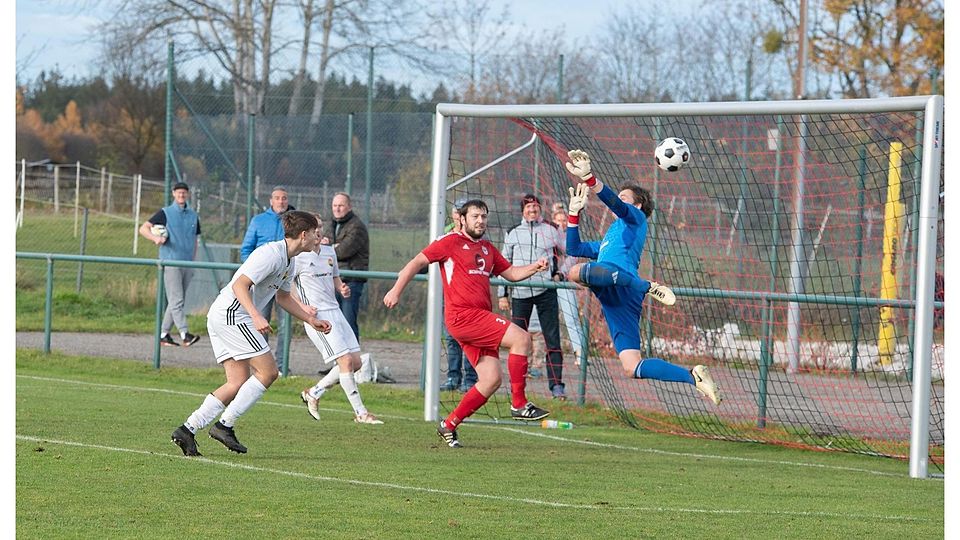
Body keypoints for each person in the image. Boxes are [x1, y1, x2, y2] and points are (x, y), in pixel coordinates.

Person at [383, 199, 552, 448]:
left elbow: (513, 274)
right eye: (475, 216)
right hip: (463, 316)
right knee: (521, 338)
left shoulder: (487, 248)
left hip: (478, 318)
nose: (480, 221)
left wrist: (535, 267)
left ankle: (448, 424)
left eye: (484, 216)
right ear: (462, 219)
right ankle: (519, 404)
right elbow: (416, 262)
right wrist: (396, 290)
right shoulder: (449, 242)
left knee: (491, 379)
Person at [562, 149, 721, 405]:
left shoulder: (636, 219)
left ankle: (646, 285)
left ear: (636, 205)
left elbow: (613, 202)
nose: (619, 200)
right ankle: (693, 377)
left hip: (622, 282)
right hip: (618, 294)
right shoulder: (608, 239)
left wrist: (591, 179)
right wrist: (573, 214)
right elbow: (574, 249)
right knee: (631, 366)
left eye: (624, 197)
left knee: (574, 272)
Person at [170, 211, 332, 456]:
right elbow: (239, 285)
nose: (318, 237)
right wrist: (256, 316)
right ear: (303, 234)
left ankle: (187, 429)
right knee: (269, 372)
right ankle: (225, 425)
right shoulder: (270, 253)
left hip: (226, 315)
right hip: (232, 315)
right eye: (315, 232)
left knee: (236, 382)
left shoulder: (291, 260)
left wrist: (310, 319)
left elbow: (284, 297)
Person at [292, 215, 383, 424]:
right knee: (345, 361)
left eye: (321, 227)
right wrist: (302, 307)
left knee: (356, 362)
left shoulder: (328, 251)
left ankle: (314, 393)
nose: (319, 232)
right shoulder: (297, 258)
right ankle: (361, 413)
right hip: (317, 317)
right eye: (315, 228)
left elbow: (334, 276)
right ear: (304, 233)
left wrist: (341, 287)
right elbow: (286, 289)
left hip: (335, 311)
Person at [497, 194, 568, 400]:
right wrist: (503, 293)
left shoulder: (551, 230)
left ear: (540, 210)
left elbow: (569, 252)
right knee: (517, 340)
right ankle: (517, 386)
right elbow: (504, 263)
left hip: (546, 291)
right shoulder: (512, 232)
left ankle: (557, 387)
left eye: (535, 207)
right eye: (528, 207)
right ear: (522, 210)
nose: (532, 210)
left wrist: (560, 273)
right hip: (520, 292)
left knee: (552, 340)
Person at [139, 181, 202, 347]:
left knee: (176, 301)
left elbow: (195, 240)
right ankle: (184, 333)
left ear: (187, 194)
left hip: (187, 263)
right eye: (178, 192)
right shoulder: (165, 213)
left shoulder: (193, 216)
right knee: (177, 299)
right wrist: (156, 238)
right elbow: (144, 228)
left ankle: (163, 334)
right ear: (173, 194)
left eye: (184, 193)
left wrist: (193, 261)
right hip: (171, 262)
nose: (181, 195)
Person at [240, 186, 292, 349]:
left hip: (284, 279)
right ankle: (261, 362)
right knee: (261, 322)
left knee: (285, 325)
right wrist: (255, 273)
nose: (281, 201)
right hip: (262, 281)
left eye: (284, 198)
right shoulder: (258, 221)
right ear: (271, 201)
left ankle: (283, 366)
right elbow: (246, 250)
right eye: (277, 198)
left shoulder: (293, 222)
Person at [440, 199, 478, 392]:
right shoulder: (446, 234)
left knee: (470, 339)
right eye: (457, 211)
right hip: (449, 296)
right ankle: (453, 377)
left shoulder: (475, 238)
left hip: (468, 298)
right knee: (451, 338)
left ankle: (470, 379)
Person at [324, 192, 369, 342]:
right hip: (333, 280)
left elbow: (343, 251)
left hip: (351, 280)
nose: (337, 209)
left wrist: (329, 247)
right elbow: (326, 247)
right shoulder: (331, 224)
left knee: (348, 322)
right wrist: (331, 247)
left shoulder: (357, 227)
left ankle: (354, 361)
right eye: (335, 206)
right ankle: (338, 363)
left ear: (349, 207)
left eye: (341, 205)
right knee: (334, 323)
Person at [551, 208, 586, 367]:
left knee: (571, 318)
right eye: (558, 220)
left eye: (564, 220)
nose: (561, 223)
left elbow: (572, 255)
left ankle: (580, 353)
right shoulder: (549, 234)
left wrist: (561, 272)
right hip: (546, 281)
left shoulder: (570, 238)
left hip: (564, 281)